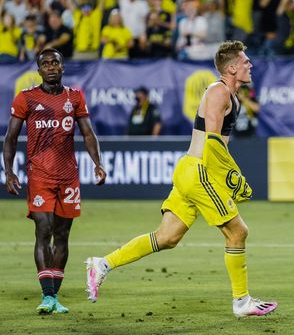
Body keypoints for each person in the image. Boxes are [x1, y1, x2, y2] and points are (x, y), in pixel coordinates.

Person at [85, 40, 278, 318]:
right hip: (199, 171)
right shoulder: (218, 91)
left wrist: (227, 176)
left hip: (193, 170)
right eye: (246, 61)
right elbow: (212, 141)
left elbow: (216, 144)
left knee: (167, 237)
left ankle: (101, 264)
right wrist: (231, 175)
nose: (251, 65)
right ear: (232, 67)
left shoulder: (232, 97)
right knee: (238, 232)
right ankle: (241, 301)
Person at [3, 48, 107, 314]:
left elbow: (88, 133)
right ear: (38, 70)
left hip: (68, 177)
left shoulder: (75, 97)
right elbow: (11, 138)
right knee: (44, 228)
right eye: (45, 63)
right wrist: (9, 171)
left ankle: (54, 296)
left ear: (62, 67)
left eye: (55, 62)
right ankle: (47, 295)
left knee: (62, 235)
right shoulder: (26, 98)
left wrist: (98, 164)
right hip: (39, 175)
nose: (50, 67)